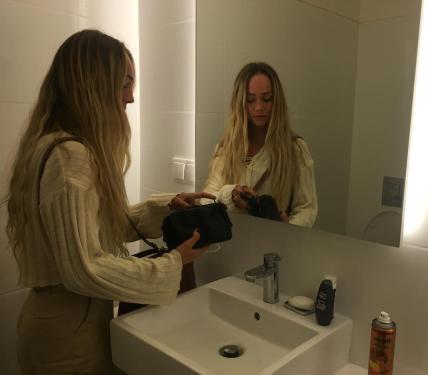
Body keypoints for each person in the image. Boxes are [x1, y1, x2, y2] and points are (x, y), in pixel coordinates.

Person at [3, 29, 214, 374]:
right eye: (124, 83)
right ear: (93, 85)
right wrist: (172, 263)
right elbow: (86, 267)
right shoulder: (70, 157)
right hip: (67, 339)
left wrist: (166, 207)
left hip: (67, 324)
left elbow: (95, 228)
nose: (131, 97)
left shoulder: (55, 145)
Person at [203, 62, 318, 227]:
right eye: (250, 100)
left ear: (277, 101)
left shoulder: (295, 149)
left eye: (267, 99)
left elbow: (307, 208)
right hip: (231, 241)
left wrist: (288, 230)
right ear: (240, 102)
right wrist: (231, 193)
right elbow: (206, 199)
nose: (259, 107)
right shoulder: (226, 148)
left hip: (275, 245)